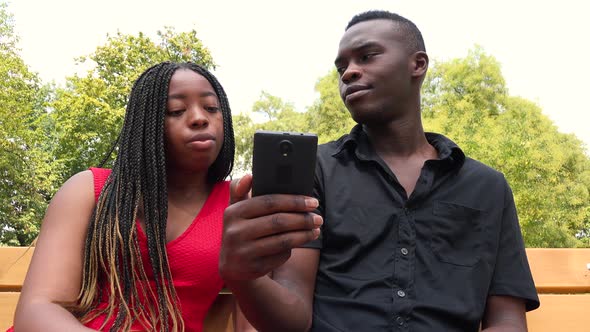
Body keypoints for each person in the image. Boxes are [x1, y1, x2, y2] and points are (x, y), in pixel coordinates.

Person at [220, 10, 539, 332]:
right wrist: (243, 278)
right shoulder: (317, 171)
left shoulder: (487, 187)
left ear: (418, 64)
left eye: (367, 57)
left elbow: (507, 320)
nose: (348, 74)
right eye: (342, 68)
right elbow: (293, 320)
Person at [11, 61, 235, 331]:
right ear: (145, 125)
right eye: (176, 110)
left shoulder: (237, 205)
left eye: (212, 108)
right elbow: (38, 310)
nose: (200, 118)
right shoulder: (90, 191)